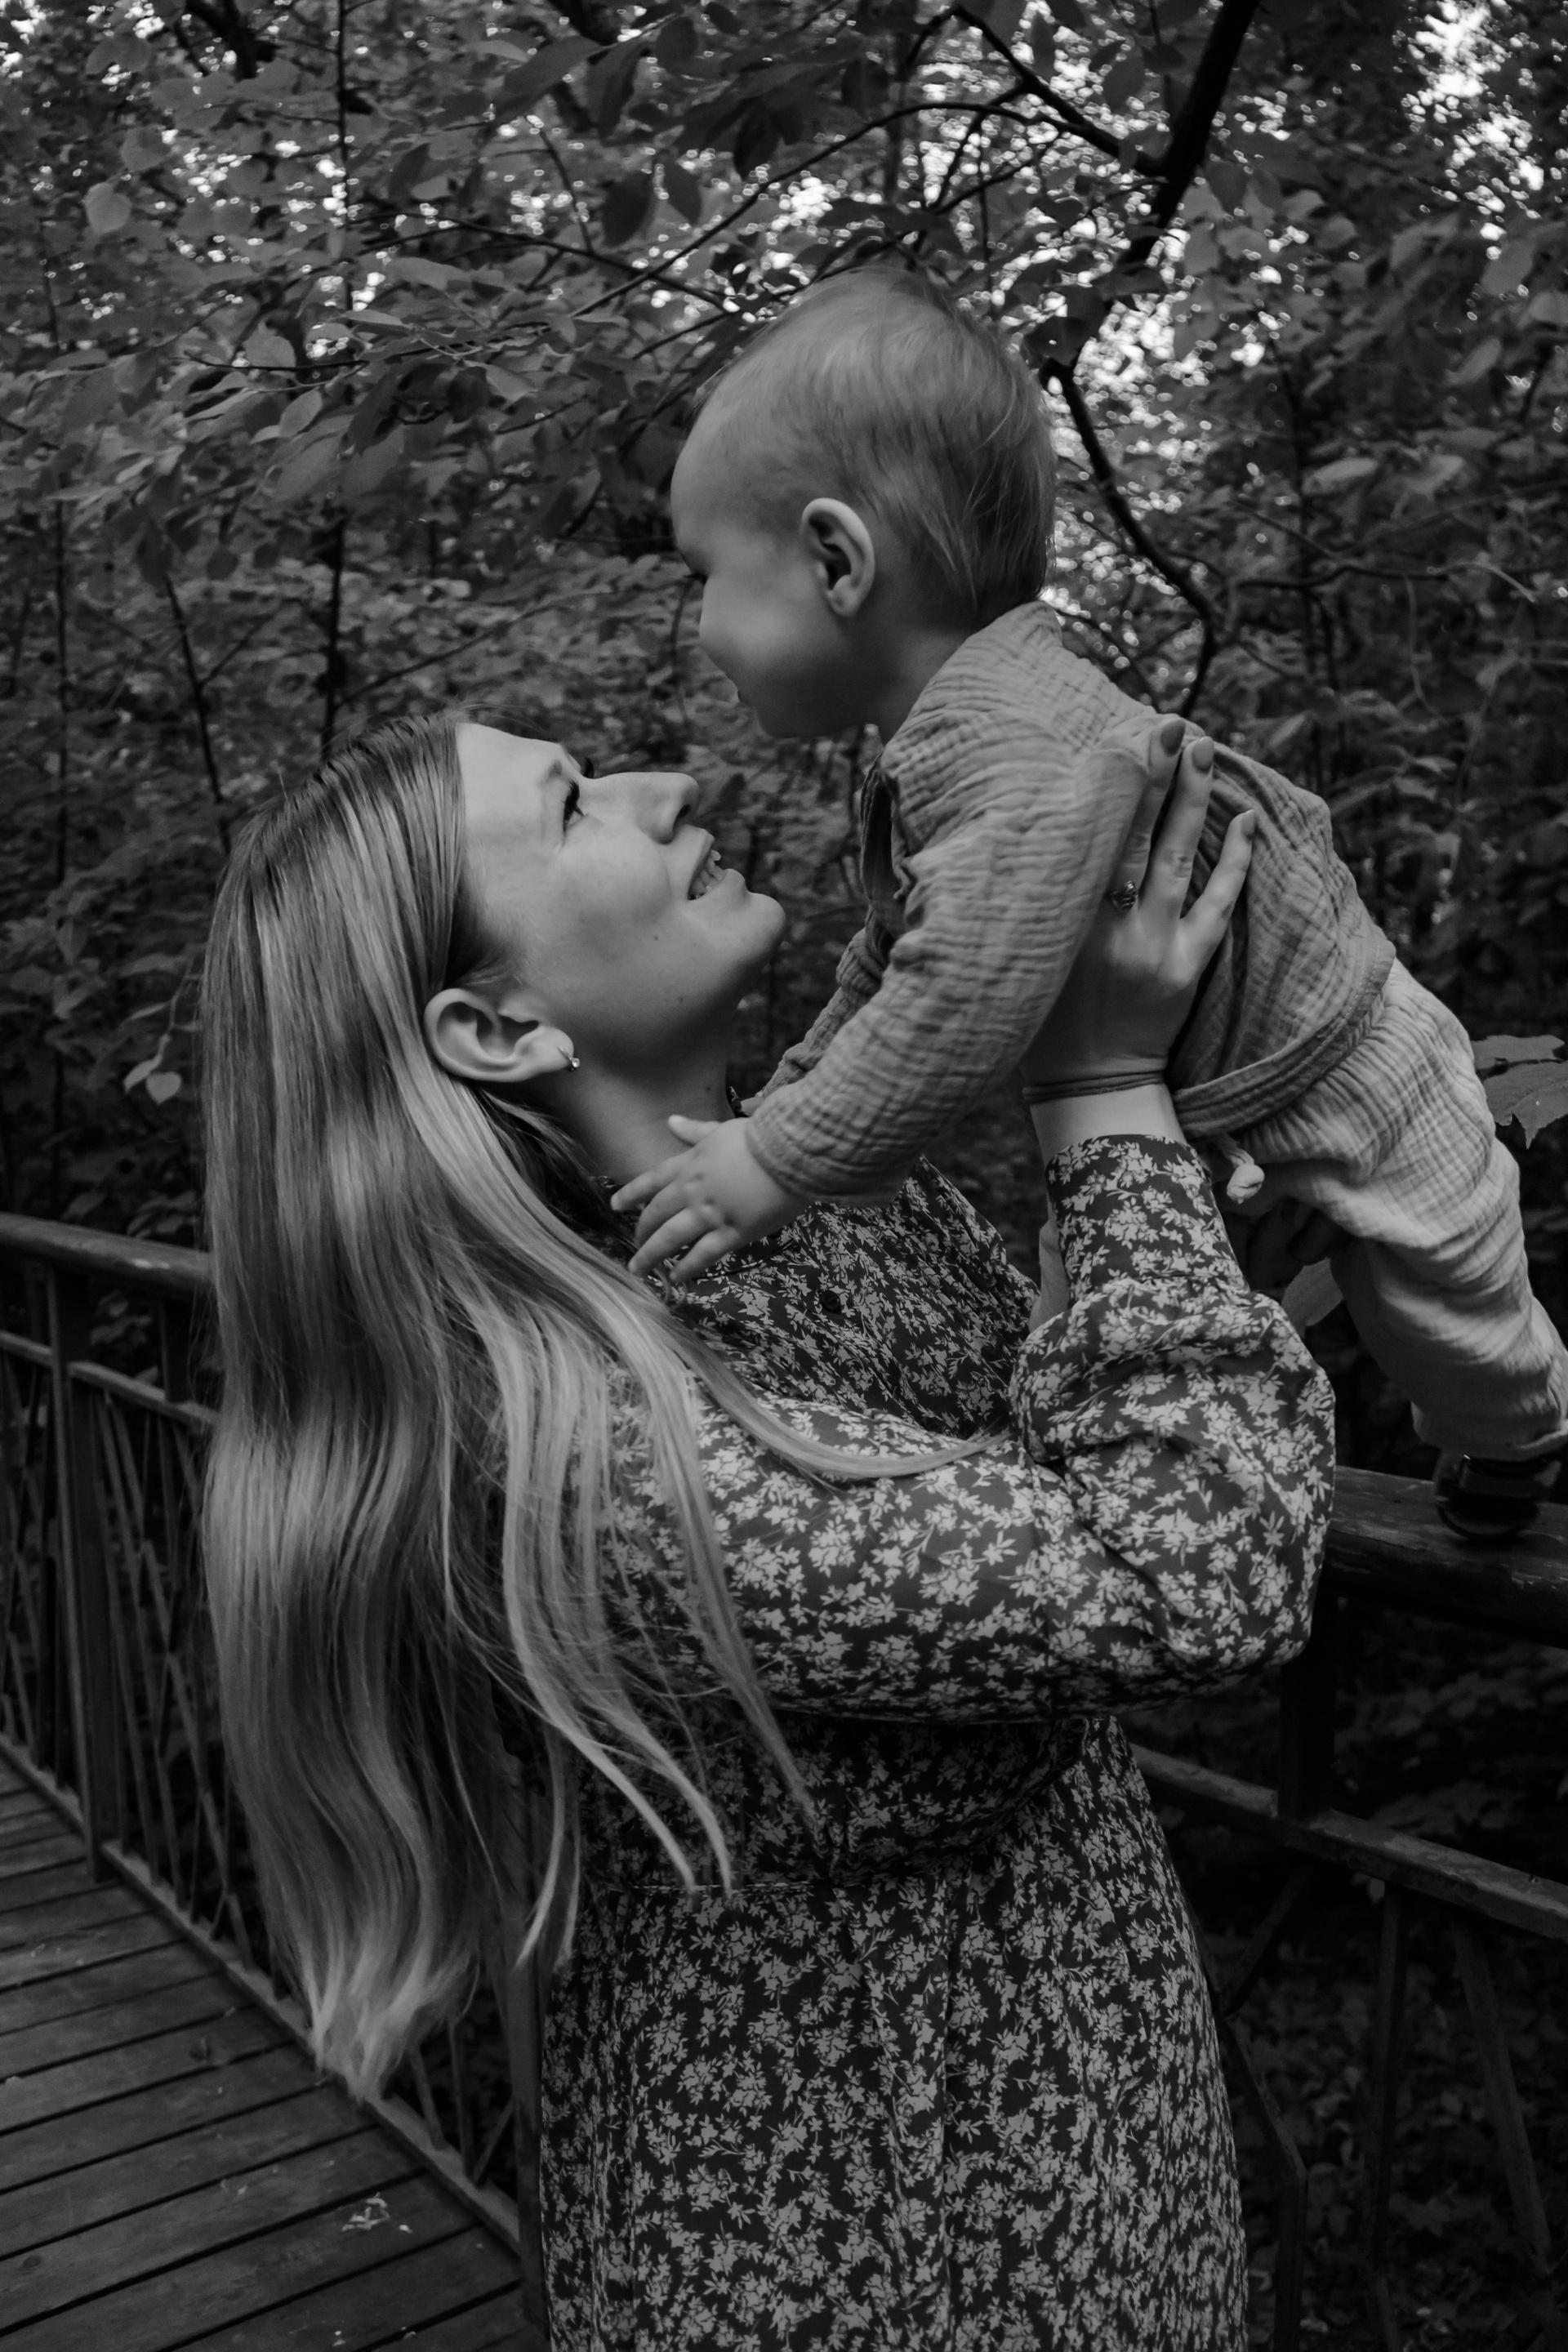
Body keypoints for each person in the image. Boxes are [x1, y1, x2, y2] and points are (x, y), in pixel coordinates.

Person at [200, 709, 1334, 2350]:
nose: (670, 790)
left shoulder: (801, 1196)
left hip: (1068, 2155)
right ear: (495, 1029)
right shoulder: (588, 1455)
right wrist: (1101, 1091)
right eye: (575, 806)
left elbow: (1047, 1434)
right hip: (865, 2235)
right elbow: (1196, 1561)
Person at [622, 266, 1566, 1539]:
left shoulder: (1007, 743)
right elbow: (893, 964)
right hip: (1186, 1103)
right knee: (1088, 1312)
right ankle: (1101, 1490)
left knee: (1449, 1301)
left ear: (836, 560)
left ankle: (1521, 1438)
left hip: (1344, 1054)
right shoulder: (953, 739)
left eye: (704, 574)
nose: (699, 626)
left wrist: (782, 1159)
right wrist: (780, 1107)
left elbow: (961, 994)